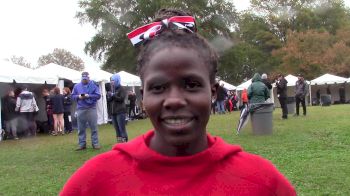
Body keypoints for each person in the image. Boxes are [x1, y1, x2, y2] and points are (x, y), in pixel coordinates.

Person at [60, 9, 296, 195]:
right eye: (158, 87)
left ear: (213, 92)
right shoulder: (95, 182)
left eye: (191, 84)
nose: (173, 100)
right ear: (143, 96)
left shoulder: (261, 183)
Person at [71, 72, 101, 150]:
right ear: (81, 78)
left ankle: (95, 143)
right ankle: (82, 144)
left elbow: (98, 95)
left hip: (91, 108)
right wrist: (78, 96)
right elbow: (72, 96)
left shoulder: (93, 85)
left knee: (94, 127)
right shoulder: (76, 86)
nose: (84, 80)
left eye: (86, 79)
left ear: (88, 78)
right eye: (83, 79)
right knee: (81, 128)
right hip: (81, 108)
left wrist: (89, 95)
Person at [107, 73, 128, 143]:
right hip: (113, 112)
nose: (111, 82)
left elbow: (121, 99)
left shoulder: (122, 88)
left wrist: (113, 96)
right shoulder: (112, 89)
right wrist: (109, 96)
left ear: (116, 80)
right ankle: (119, 143)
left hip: (120, 111)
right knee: (116, 129)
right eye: (111, 81)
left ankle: (125, 143)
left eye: (113, 80)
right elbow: (109, 101)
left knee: (122, 128)